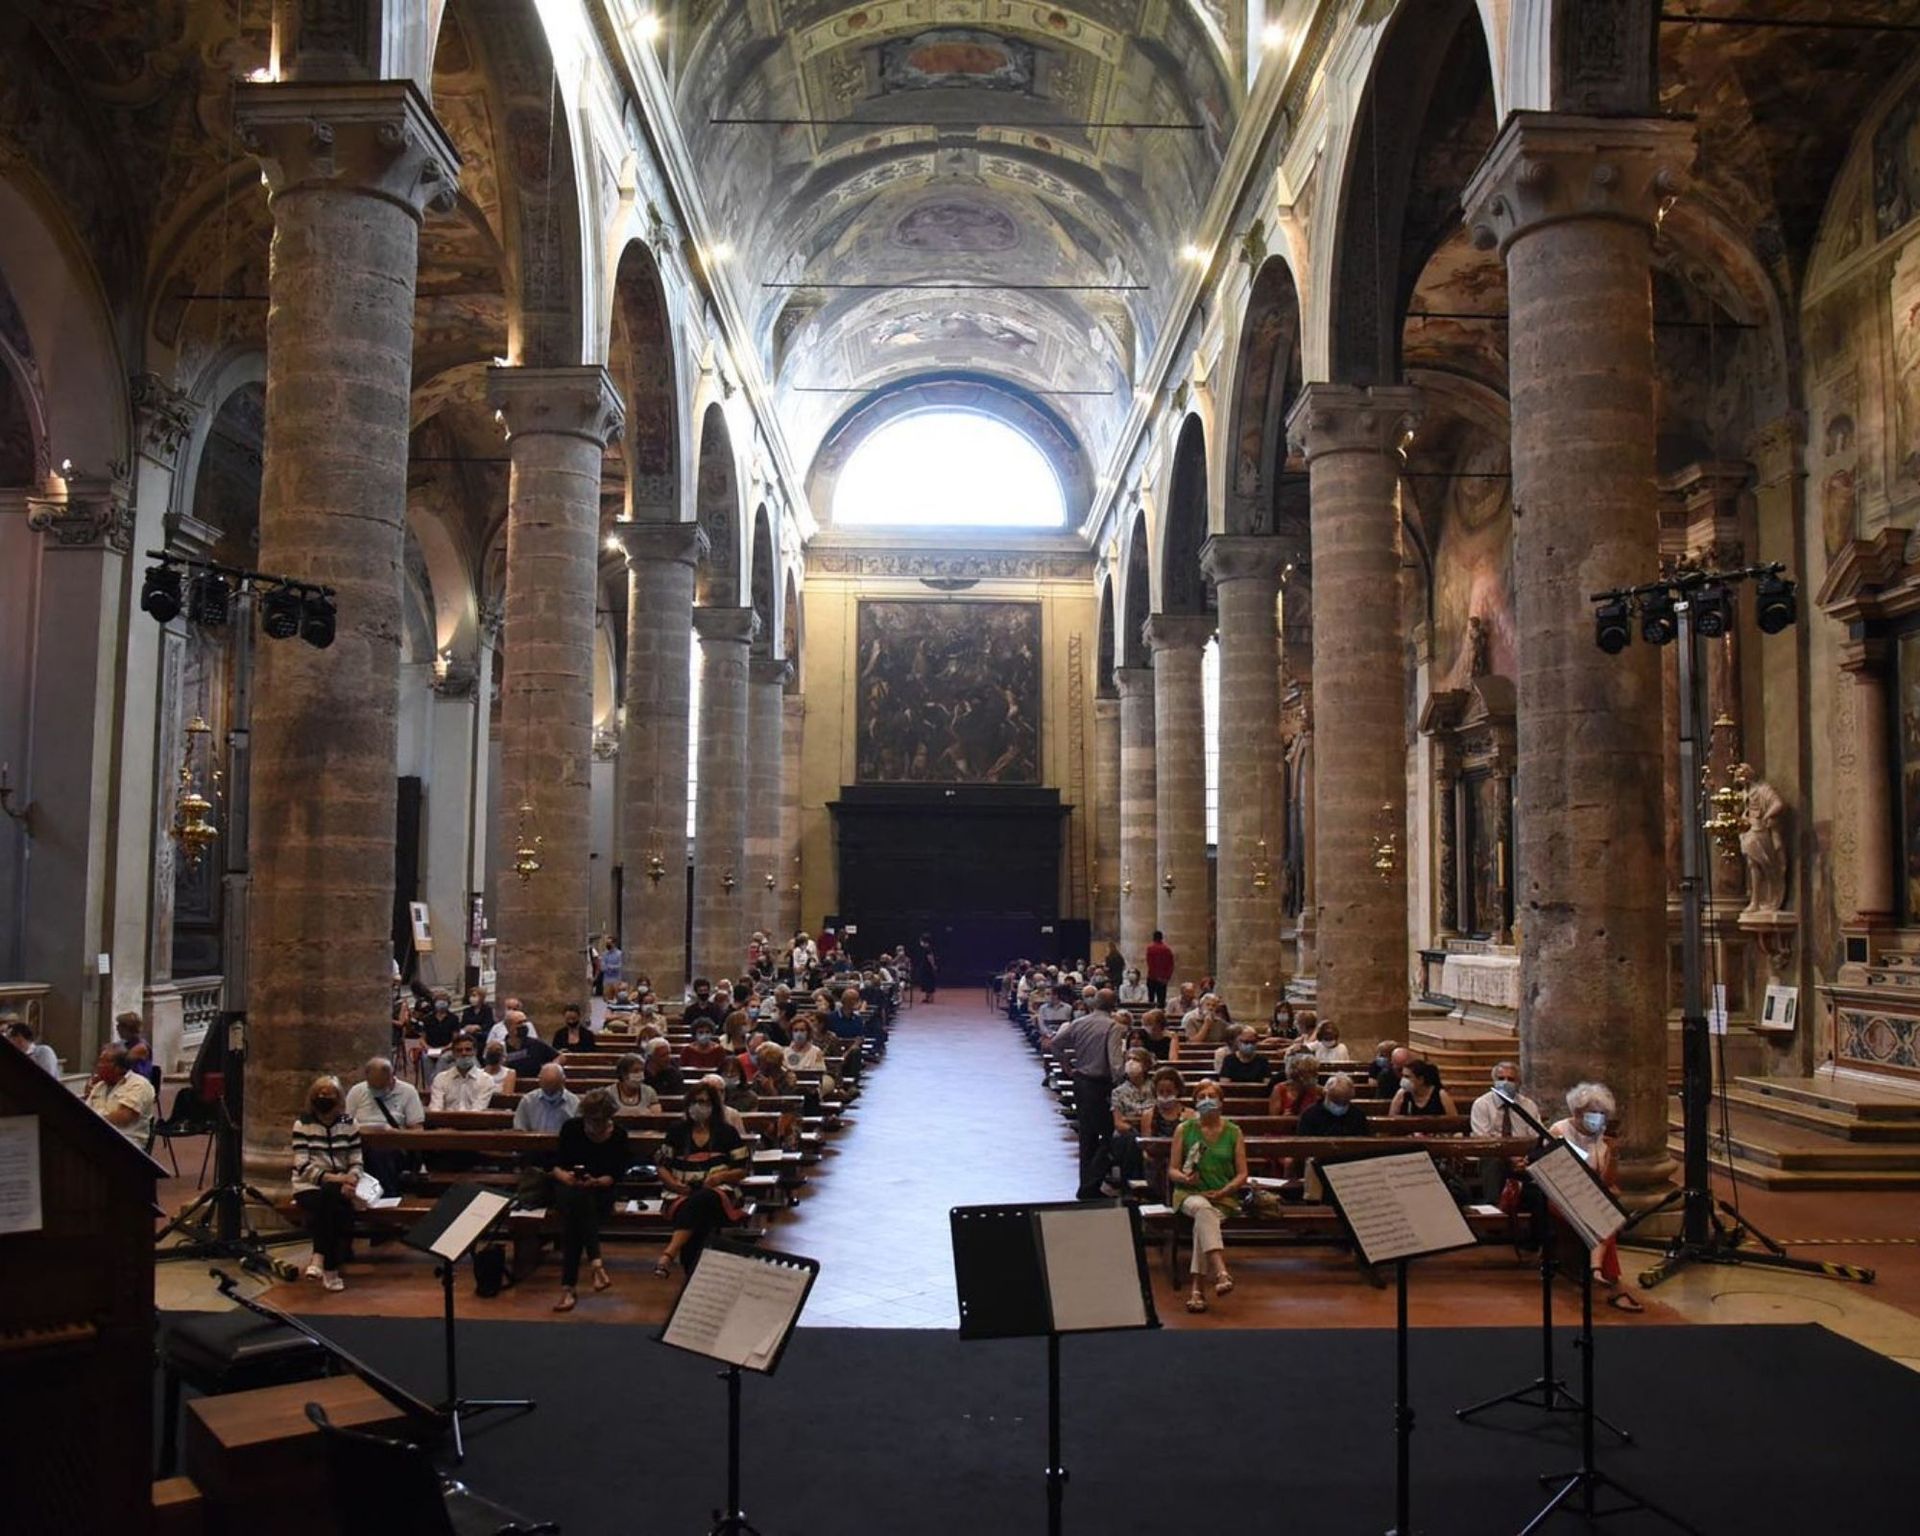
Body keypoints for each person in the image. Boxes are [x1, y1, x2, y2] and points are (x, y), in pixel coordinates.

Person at [1548, 1082, 1642, 1312]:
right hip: (1563, 1195)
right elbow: (1562, 1173)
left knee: (1603, 1213)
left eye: (1602, 1114)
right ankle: (1609, 1280)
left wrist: (1613, 1152)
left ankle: (1597, 1270)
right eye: (1593, 1113)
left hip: (1593, 1197)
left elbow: (1608, 1180)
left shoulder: (1601, 1137)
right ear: (1577, 1112)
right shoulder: (1560, 1131)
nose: (1598, 1118)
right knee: (1606, 1216)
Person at [654, 1080, 751, 1275]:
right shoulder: (677, 1131)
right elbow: (662, 1166)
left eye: (705, 1102)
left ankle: (670, 1253)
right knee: (698, 1214)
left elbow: (742, 1169)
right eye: (696, 1101)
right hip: (681, 1193)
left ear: (714, 1106)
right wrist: (674, 1184)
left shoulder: (726, 1132)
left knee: (703, 1197)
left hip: (720, 1192)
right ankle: (693, 1274)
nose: (700, 1106)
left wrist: (720, 1177)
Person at [1167, 1080, 1246, 1312]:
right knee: (1202, 1209)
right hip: (1189, 1194)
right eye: (1201, 1097)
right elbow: (1172, 1170)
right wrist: (1184, 1179)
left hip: (1222, 1196)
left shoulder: (1233, 1132)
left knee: (1204, 1220)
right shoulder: (1185, 1129)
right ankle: (1221, 1271)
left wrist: (1224, 1191)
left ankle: (1197, 1289)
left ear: (1221, 1102)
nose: (1207, 1100)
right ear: (1195, 1101)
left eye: (1212, 1096)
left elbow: (1242, 1173)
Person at [551, 1089, 631, 1311]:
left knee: (576, 1218)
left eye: (599, 1121)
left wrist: (596, 1181)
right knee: (578, 1199)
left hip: (600, 1192)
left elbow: (615, 1175)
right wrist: (566, 1177)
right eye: (590, 1119)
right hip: (568, 1188)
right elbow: (557, 1166)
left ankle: (568, 1288)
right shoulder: (572, 1129)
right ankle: (596, 1264)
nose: (594, 1125)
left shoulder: (619, 1135)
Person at [1053, 988, 1126, 1200]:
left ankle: (1087, 1185)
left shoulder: (1080, 1023)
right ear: (1114, 1006)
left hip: (1081, 1082)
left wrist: (1066, 1064)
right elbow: (1115, 1063)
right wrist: (1120, 1084)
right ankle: (1090, 1184)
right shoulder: (1114, 1026)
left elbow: (1056, 1043)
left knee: (1087, 1136)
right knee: (1110, 1134)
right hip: (1100, 1085)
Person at [291, 1076, 363, 1293]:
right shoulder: (303, 1124)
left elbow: (356, 1160)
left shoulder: (349, 1124)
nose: (324, 1097)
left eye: (329, 1094)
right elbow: (303, 1166)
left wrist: (352, 1178)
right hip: (308, 1187)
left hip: (342, 1187)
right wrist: (339, 1180)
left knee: (331, 1203)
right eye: (319, 1094)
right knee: (333, 1203)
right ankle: (330, 1268)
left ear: (338, 1098)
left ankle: (319, 1258)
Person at [345, 1056, 424, 1190]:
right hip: (360, 1145)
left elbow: (418, 1130)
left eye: (381, 1086)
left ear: (391, 1078)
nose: (377, 1090)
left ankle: (386, 1195)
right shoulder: (357, 1091)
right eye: (373, 1086)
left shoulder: (408, 1092)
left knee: (380, 1154)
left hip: (395, 1148)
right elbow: (345, 1122)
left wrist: (396, 1134)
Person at [1095, 1047, 1159, 1196]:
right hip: (1127, 1134)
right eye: (1129, 1059)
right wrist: (1136, 1130)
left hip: (1153, 1130)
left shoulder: (1155, 1087)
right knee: (1132, 1142)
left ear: (1146, 1065)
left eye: (1136, 1059)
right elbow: (1119, 1123)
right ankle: (1131, 1185)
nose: (1131, 1063)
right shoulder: (1118, 1092)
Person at [84, 1044, 156, 1147]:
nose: (98, 1066)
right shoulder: (100, 1086)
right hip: (98, 1138)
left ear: (118, 1067)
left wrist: (92, 1122)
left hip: (126, 1142)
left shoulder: (138, 1084)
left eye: (103, 1062)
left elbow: (124, 1117)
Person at [428, 1036, 496, 1111]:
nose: (464, 1053)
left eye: (468, 1050)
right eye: (459, 1050)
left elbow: (479, 1109)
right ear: (453, 1054)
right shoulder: (441, 1078)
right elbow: (436, 1108)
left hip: (475, 1121)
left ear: (475, 1052)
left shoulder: (486, 1080)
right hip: (446, 1121)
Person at [1299, 1072, 1370, 1137]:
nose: (1339, 1107)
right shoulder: (1310, 1116)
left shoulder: (1358, 1116)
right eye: (1335, 1101)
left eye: (1344, 1103)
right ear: (1326, 1094)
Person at [514, 1063, 580, 1131]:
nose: (549, 1093)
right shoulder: (528, 1101)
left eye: (553, 1088)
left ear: (563, 1081)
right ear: (539, 1081)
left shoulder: (574, 1103)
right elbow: (520, 1129)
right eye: (546, 1088)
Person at [1389, 1059, 1458, 1118]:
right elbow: (1392, 1120)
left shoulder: (1440, 1095)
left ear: (1421, 1079)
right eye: (1403, 1076)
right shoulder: (1401, 1094)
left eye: (1407, 1077)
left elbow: (1454, 1121)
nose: (1403, 1080)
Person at [112, 1012, 162, 1087]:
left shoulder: (141, 1047)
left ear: (128, 1028)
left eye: (120, 1026)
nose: (117, 1028)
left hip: (138, 1084)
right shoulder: (123, 1043)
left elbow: (122, 1061)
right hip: (124, 1082)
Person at [1267, 1052, 1323, 1117]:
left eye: (1315, 1071)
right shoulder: (1280, 1089)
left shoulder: (1319, 1090)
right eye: (1311, 1072)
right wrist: (1283, 1118)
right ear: (1298, 1074)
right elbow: (1273, 1119)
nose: (1316, 1075)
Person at [1142, 1066, 1192, 1138]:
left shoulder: (1189, 1114)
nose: (1165, 1095)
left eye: (1169, 1091)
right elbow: (1146, 1145)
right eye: (1161, 1092)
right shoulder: (1148, 1115)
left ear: (1177, 1090)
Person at [1143, 931, 1175, 1008]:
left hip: (1152, 977)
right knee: (1161, 1000)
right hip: (1163, 978)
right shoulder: (1167, 949)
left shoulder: (1150, 948)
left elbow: (1150, 963)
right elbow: (1171, 964)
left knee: (1151, 1000)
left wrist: (1155, 975)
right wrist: (1167, 977)